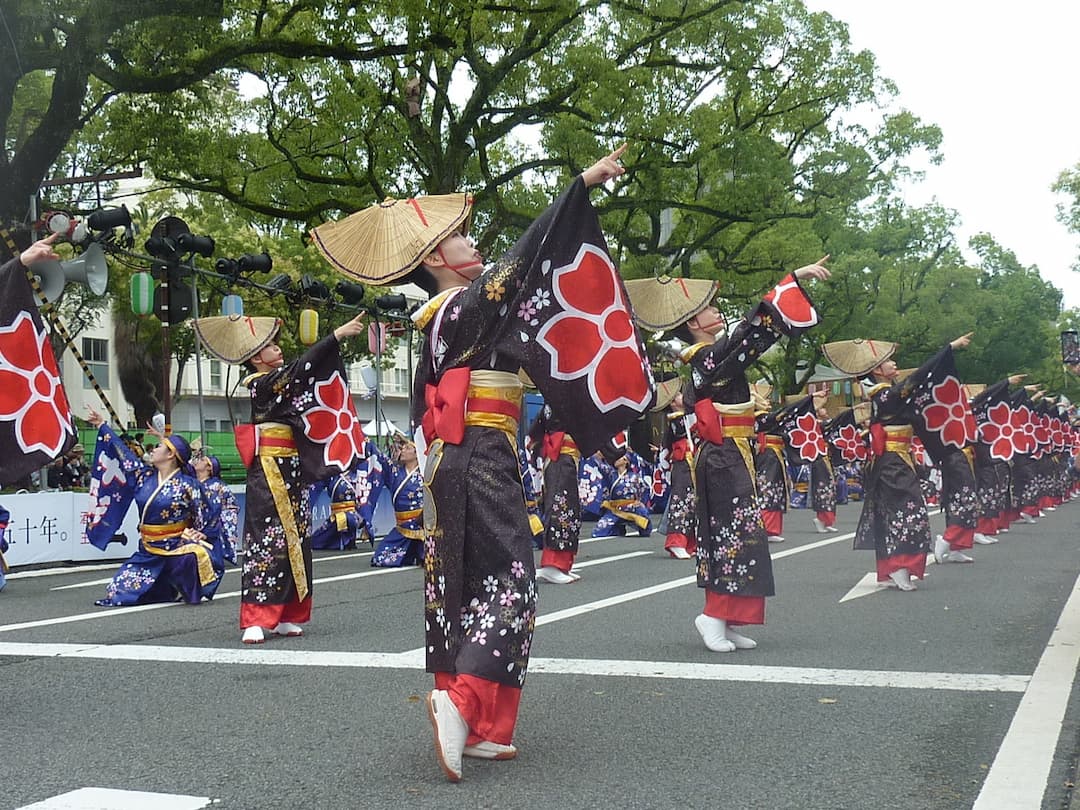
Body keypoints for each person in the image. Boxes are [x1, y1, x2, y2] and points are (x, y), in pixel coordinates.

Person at [311, 145, 651, 782]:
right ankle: (463, 702)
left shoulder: (441, 323)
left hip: (449, 459)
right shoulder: (469, 307)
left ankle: (483, 727)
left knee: (458, 584)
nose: (477, 246)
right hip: (482, 455)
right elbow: (525, 264)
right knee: (511, 577)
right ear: (439, 260)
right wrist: (579, 183)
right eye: (465, 238)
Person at [661, 260, 831, 653]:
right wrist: (789, 282)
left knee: (744, 535)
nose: (715, 310)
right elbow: (747, 334)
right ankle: (713, 614)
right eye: (707, 308)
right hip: (721, 455)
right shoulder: (704, 358)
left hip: (733, 453)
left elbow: (745, 338)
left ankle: (733, 615)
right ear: (691, 323)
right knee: (730, 534)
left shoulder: (710, 356)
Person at [191, 311, 368, 644]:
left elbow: (307, 386)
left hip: (292, 468)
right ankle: (257, 615)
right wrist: (335, 336)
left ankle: (287, 612)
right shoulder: (261, 384)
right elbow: (301, 370)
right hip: (268, 468)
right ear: (258, 357)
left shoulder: (279, 383)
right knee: (265, 538)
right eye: (272, 347)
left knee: (296, 540)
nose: (278, 350)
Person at [828, 333, 974, 591]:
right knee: (907, 511)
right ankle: (899, 566)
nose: (894, 364)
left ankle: (895, 567)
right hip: (892, 462)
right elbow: (916, 379)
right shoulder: (884, 396)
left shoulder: (889, 393)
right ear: (877, 370)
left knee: (900, 513)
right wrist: (948, 348)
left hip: (899, 459)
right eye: (889, 362)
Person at [85, 407, 222, 606]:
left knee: (193, 557)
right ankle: (162, 586)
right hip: (148, 548)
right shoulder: (143, 476)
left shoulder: (188, 484)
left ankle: (184, 585)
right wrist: (102, 425)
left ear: (170, 455)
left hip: (178, 546)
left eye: (159, 447)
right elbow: (122, 454)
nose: (153, 449)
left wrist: (202, 533)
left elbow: (208, 511)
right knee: (118, 594)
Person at [528, 405, 584, 583]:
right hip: (560, 457)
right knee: (561, 509)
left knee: (568, 510)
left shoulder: (556, 400)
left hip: (564, 459)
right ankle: (552, 564)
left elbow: (534, 434)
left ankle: (563, 563)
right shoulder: (558, 399)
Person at [367, 434, 425, 567]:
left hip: (423, 526)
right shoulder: (394, 471)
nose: (403, 450)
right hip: (402, 527)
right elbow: (380, 457)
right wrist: (367, 442)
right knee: (380, 559)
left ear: (417, 454)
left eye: (407, 448)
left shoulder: (425, 472)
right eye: (403, 448)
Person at [193, 455, 240, 565]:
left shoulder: (218, 486)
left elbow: (230, 507)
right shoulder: (192, 483)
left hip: (211, 530)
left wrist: (212, 528)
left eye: (203, 460)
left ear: (209, 468)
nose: (199, 461)